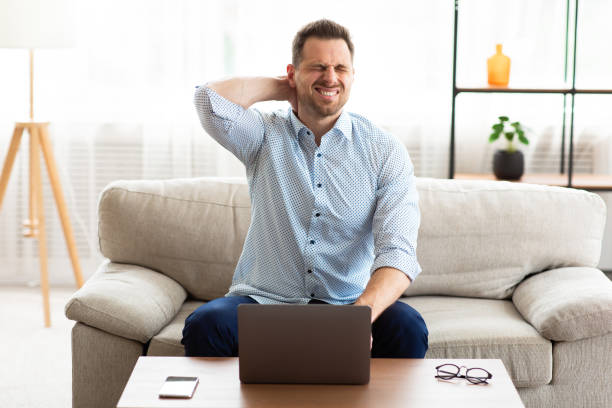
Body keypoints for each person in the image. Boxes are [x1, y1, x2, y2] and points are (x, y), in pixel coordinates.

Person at [182, 19, 428, 358]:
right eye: (318, 67)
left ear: (353, 75)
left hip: (350, 304)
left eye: (341, 67)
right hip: (265, 302)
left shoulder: (383, 150)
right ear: (293, 73)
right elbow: (207, 100)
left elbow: (398, 254)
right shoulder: (263, 135)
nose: (331, 77)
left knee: (408, 328)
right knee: (206, 324)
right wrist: (283, 87)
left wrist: (360, 316)